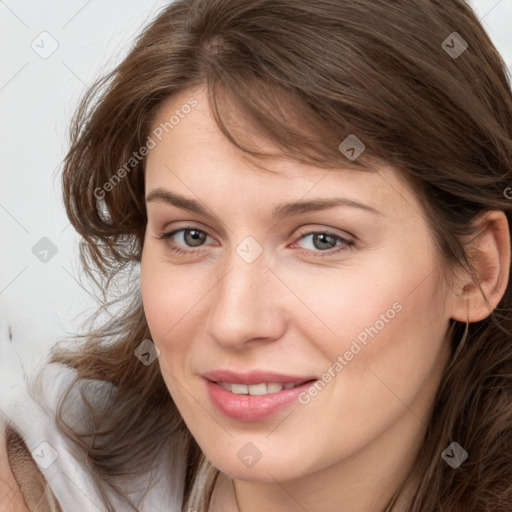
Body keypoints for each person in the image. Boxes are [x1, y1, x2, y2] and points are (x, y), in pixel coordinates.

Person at [2, 0, 512, 510]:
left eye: (321, 240)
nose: (234, 322)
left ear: (475, 271)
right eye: (191, 236)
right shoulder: (38, 479)